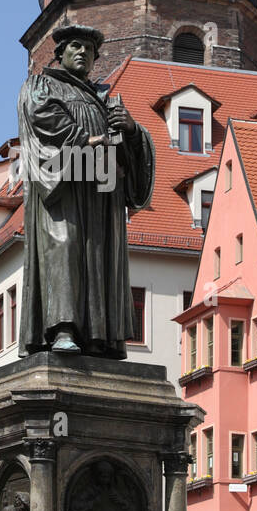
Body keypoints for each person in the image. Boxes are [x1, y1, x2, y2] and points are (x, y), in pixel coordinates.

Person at [17, 24, 154, 356]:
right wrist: (91, 140)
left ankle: (97, 334)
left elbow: (133, 150)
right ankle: (62, 328)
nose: (83, 53)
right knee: (64, 246)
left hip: (102, 190)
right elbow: (42, 123)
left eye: (90, 50)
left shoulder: (105, 97)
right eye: (75, 47)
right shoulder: (41, 86)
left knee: (98, 253)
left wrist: (132, 130)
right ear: (60, 53)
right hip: (64, 185)